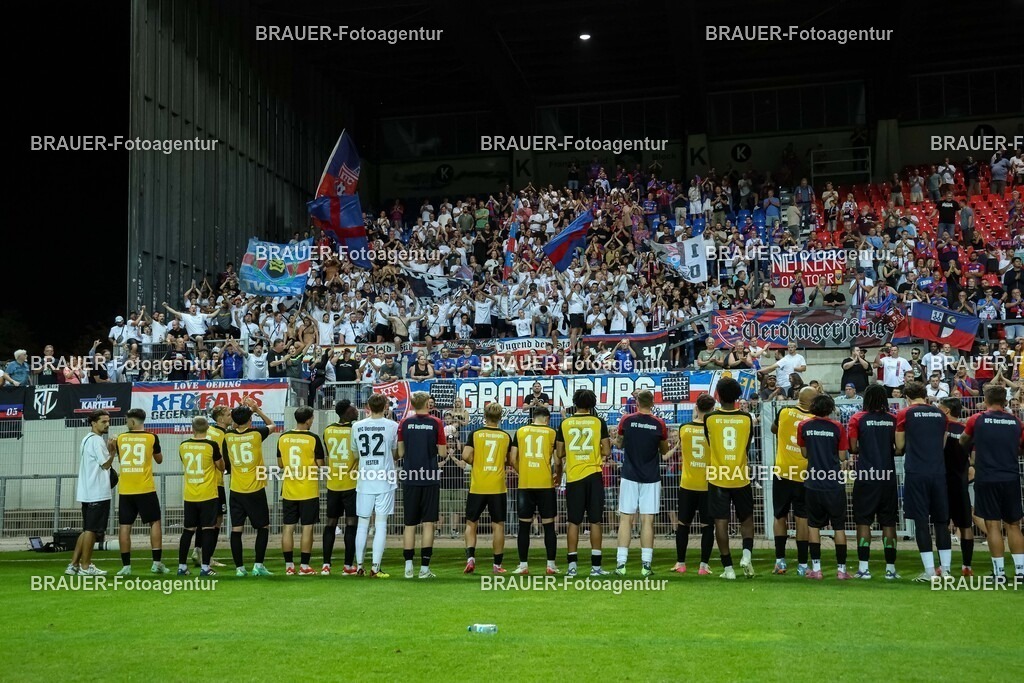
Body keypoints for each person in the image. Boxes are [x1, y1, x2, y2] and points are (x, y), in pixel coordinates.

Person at [960, 386, 1024, 579]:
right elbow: (1021, 448)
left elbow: (963, 441)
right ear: (1005, 401)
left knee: (993, 525)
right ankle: (1021, 571)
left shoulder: (977, 419)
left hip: (987, 476)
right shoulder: (1016, 422)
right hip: (1010, 476)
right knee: (1014, 524)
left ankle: (999, 572)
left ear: (986, 400)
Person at [895, 381, 952, 582]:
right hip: (938, 471)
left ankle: (929, 572)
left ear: (907, 397)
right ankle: (945, 570)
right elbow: (943, 443)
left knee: (921, 520)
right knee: (941, 521)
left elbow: (900, 445)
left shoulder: (904, 413)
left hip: (916, 471)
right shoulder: (940, 414)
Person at [555, 389, 612, 577]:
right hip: (594, 474)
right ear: (592, 404)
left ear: (575, 402)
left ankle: (572, 567)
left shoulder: (565, 423)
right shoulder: (598, 422)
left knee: (573, 521)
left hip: (574, 476)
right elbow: (606, 450)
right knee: (595, 520)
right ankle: (596, 567)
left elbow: (560, 452)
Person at [703, 377, 756, 579]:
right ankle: (746, 555)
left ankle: (728, 569)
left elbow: (710, 442)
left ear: (718, 395)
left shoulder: (710, 419)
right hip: (740, 474)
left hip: (718, 476)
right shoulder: (746, 418)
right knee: (747, 518)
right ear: (737, 396)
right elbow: (746, 445)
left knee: (720, 522)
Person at [847, 385, 900, 580]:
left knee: (863, 521)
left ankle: (863, 568)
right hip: (887, 475)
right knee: (889, 522)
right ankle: (891, 569)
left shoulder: (857, 418)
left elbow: (852, 448)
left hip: (866, 476)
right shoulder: (893, 419)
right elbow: (899, 448)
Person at [614, 390, 669, 577]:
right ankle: (646, 566)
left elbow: (620, 444)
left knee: (626, 519)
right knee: (648, 521)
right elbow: (664, 450)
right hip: (651, 477)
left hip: (629, 474)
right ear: (652, 403)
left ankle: (621, 565)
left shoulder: (626, 420)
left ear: (637, 402)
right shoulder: (659, 424)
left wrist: (615, 439)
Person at [797, 394, 851, 580]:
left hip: (813, 483)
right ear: (830, 408)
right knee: (839, 527)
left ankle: (817, 569)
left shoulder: (804, 426)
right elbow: (843, 456)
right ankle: (842, 570)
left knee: (813, 525)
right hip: (834, 483)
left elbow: (804, 453)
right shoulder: (837, 427)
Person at [224, 398, 277, 576]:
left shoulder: (228, 437)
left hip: (236, 490)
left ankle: (239, 568)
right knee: (262, 528)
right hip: (255, 489)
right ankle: (258, 565)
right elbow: (273, 425)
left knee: (236, 529)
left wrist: (242, 413)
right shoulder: (256, 434)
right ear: (250, 420)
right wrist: (257, 410)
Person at [397, 391, 446, 579]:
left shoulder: (404, 423)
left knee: (409, 523)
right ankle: (424, 568)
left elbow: (400, 452)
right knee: (428, 523)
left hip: (410, 476)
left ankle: (408, 567)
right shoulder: (436, 422)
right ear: (427, 403)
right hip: (430, 476)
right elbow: (442, 453)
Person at [352, 393, 400, 578]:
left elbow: (356, 454)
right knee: (381, 524)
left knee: (362, 524)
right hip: (384, 479)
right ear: (386, 406)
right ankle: (375, 567)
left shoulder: (357, 426)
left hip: (365, 479)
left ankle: (359, 567)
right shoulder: (393, 426)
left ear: (368, 407)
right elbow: (396, 453)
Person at [114, 408, 167, 575]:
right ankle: (156, 563)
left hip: (126, 489)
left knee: (124, 526)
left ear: (132, 421)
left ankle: (126, 566)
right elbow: (159, 460)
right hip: (145, 488)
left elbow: (122, 460)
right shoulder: (151, 437)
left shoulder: (120, 438)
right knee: (155, 523)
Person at [770, 387, 816, 576]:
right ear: (812, 402)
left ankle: (780, 561)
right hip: (805, 474)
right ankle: (803, 565)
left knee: (780, 516)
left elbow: (774, 429)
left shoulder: (784, 412)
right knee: (802, 519)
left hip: (782, 472)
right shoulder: (815, 420)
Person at [509, 405, 560, 575]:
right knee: (548, 525)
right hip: (545, 484)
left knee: (523, 526)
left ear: (533, 417)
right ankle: (550, 565)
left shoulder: (521, 431)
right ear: (546, 418)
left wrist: (522, 472)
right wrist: (557, 475)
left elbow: (512, 458)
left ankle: (523, 565)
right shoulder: (551, 432)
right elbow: (558, 460)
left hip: (526, 484)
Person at [463, 402, 511, 575]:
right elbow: (510, 459)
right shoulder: (505, 436)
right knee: (498, 525)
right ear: (500, 417)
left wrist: (477, 463)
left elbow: (466, 456)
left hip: (478, 485)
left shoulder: (475, 434)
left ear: (484, 415)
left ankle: (470, 558)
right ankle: (497, 565)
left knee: (471, 523)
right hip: (497, 487)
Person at [671, 393, 716, 575]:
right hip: (708, 484)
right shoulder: (714, 430)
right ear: (712, 409)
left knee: (683, 525)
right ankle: (703, 566)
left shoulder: (684, 428)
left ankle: (681, 563)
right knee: (707, 526)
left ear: (696, 408)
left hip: (687, 484)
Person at [277, 406, 325, 575]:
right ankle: (304, 566)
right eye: (312, 418)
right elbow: (321, 464)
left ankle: (289, 566)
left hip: (289, 489)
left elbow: (280, 464)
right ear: (308, 420)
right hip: (308, 490)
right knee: (307, 528)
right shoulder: (313, 438)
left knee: (288, 528)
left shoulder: (283, 437)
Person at [68, 410, 117, 576]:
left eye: (108, 421)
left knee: (87, 529)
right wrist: (113, 451)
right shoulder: (96, 441)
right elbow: (105, 465)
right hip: (97, 491)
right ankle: (86, 566)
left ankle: (74, 565)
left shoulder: (86, 438)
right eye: (103, 421)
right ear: (93, 423)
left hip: (87, 490)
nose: (107, 424)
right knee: (92, 530)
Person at [177, 416, 224, 576]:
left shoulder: (183, 445)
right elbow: (220, 467)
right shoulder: (211, 445)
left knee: (188, 530)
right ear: (207, 428)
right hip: (208, 494)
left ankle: (182, 567)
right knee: (208, 530)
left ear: (192, 428)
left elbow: (184, 461)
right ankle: (205, 567)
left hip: (190, 495)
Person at [322, 399, 360, 575]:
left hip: (333, 483)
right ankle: (347, 565)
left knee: (331, 523)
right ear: (346, 412)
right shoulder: (355, 430)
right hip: (351, 483)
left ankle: (326, 565)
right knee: (351, 523)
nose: (356, 409)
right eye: (353, 407)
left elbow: (329, 453)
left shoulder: (328, 430)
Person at [937, 398, 974, 577]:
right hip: (961, 483)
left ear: (947, 411)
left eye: (940, 408)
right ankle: (967, 566)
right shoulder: (966, 431)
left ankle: (944, 566)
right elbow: (974, 459)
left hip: (943, 482)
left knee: (942, 524)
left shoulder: (940, 428)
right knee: (966, 525)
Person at [194, 406, 231, 568]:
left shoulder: (207, 431)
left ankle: (198, 550)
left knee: (202, 521)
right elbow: (224, 459)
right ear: (221, 419)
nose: (232, 417)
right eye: (229, 415)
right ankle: (207, 557)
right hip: (215, 483)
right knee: (216, 520)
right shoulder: (222, 434)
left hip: (198, 481)